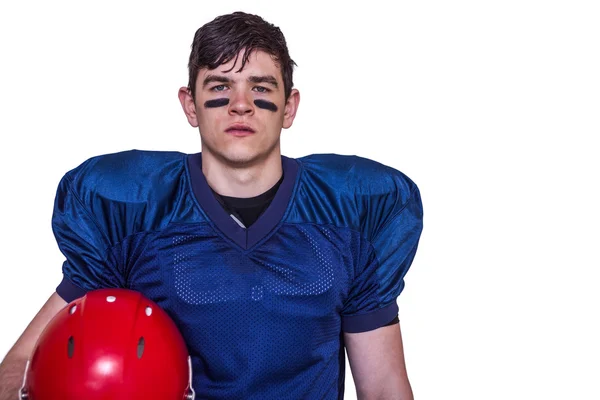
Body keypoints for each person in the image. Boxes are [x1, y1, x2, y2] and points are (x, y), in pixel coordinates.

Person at [0, 11, 423, 400]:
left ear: (289, 107)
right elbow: (19, 367)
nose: (241, 104)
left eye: (260, 87)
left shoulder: (349, 213)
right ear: (190, 105)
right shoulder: (135, 211)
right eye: (221, 86)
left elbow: (384, 386)